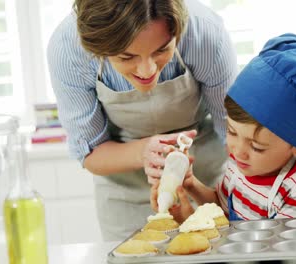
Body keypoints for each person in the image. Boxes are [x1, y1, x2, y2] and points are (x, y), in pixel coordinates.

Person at [46, 0, 237, 240]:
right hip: (125, 195)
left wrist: (242, 196)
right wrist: (143, 152)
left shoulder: (204, 32)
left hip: (204, 178)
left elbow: (235, 131)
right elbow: (89, 151)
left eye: (161, 50)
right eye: (126, 57)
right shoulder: (68, 49)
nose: (147, 71)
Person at [151, 33, 296, 222]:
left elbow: (278, 255)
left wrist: (194, 225)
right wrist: (191, 185)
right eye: (232, 131)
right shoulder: (240, 164)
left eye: (256, 146)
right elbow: (223, 208)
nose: (238, 151)